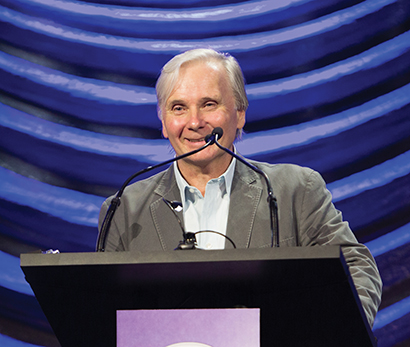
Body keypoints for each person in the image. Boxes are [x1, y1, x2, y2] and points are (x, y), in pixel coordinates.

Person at [98, 48, 382, 326]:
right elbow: (100, 307)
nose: (195, 122)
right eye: (179, 108)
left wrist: (334, 333)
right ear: (163, 121)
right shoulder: (124, 209)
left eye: (209, 104)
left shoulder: (295, 190)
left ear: (240, 114)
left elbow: (357, 268)